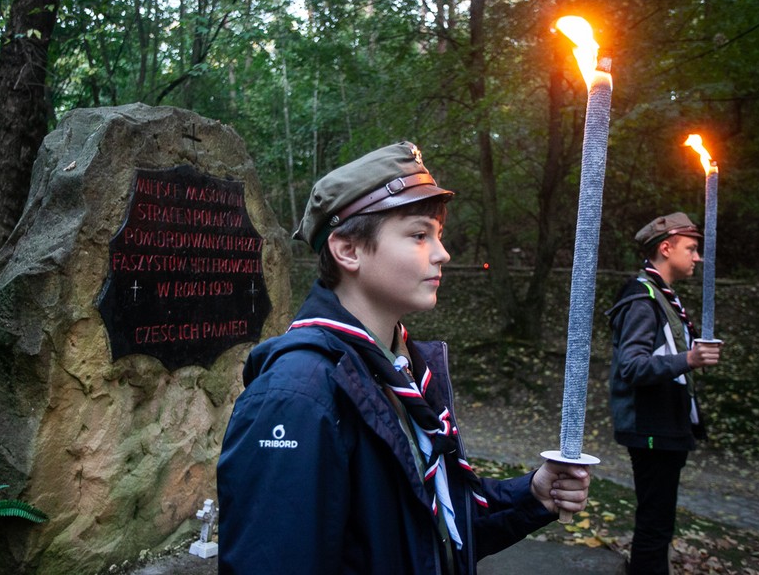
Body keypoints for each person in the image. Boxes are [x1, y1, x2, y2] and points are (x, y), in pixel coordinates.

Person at [217, 141, 591, 574]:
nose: (442, 253)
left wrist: (531, 495)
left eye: (438, 235)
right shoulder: (297, 397)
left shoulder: (404, 369)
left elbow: (431, 528)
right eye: (418, 235)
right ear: (348, 250)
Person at [605, 212, 723, 575]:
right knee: (655, 524)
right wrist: (689, 358)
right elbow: (632, 367)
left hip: (665, 426)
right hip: (650, 427)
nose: (697, 257)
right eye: (691, 248)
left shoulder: (662, 297)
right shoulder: (643, 299)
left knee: (658, 521)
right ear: (666, 248)